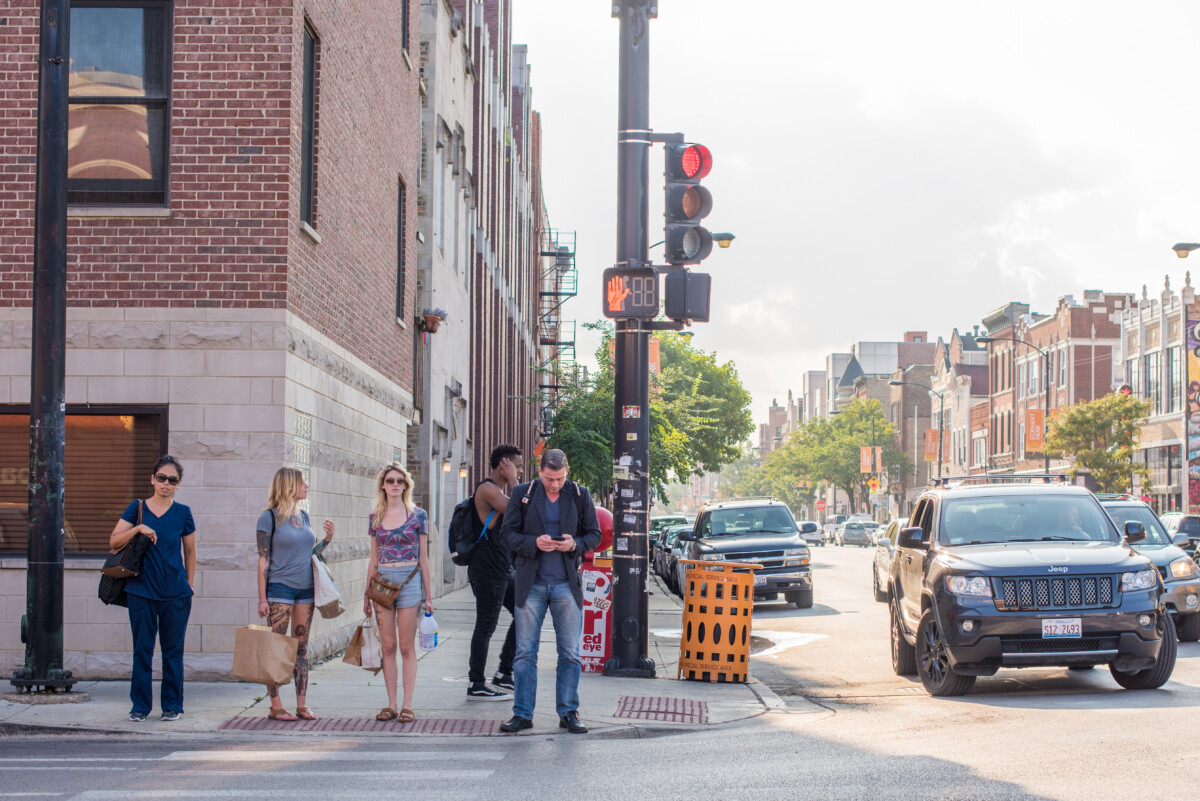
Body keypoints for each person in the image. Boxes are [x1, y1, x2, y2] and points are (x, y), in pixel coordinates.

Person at [497, 449, 601, 734]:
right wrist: (534, 542)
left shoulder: (580, 495)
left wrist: (574, 545)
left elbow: (594, 535)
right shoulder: (522, 493)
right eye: (549, 479)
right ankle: (522, 714)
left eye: (559, 479)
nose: (554, 484)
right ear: (539, 471)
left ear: (567, 472)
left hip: (566, 584)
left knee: (569, 653)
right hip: (531, 584)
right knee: (524, 653)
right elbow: (506, 535)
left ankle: (568, 711)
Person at [109, 455, 196, 723]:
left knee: (173, 651)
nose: (165, 484)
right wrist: (138, 529)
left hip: (175, 595)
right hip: (141, 592)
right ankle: (140, 707)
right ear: (152, 479)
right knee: (142, 650)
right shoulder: (136, 509)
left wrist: (189, 587)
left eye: (172, 480)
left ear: (178, 484)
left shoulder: (183, 513)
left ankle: (172, 705)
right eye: (161, 478)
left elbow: (190, 552)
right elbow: (113, 542)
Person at [256, 467, 335, 721]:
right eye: (303, 482)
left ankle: (302, 704)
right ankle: (276, 705)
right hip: (279, 588)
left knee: (301, 647)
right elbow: (263, 560)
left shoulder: (304, 516)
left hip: (306, 589)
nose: (307, 485)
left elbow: (309, 552)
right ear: (289, 485)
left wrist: (326, 541)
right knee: (277, 647)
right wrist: (262, 598)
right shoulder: (268, 518)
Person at [363, 463, 433, 723]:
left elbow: (423, 558)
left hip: (410, 582)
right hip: (382, 583)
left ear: (405, 485)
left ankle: (407, 705)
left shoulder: (418, 516)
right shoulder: (375, 517)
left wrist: (429, 597)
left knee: (406, 647)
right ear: (383, 484)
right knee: (388, 646)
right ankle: (391, 704)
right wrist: (365, 595)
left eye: (400, 481)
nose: (395, 484)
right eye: (390, 480)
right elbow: (372, 559)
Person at [466, 444, 522, 700]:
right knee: (486, 625)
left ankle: (504, 672)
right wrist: (513, 481)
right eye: (517, 466)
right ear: (504, 464)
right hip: (487, 571)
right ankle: (476, 682)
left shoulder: (496, 490)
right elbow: (518, 510)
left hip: (502, 569)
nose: (519, 471)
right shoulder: (488, 489)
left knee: (525, 612)